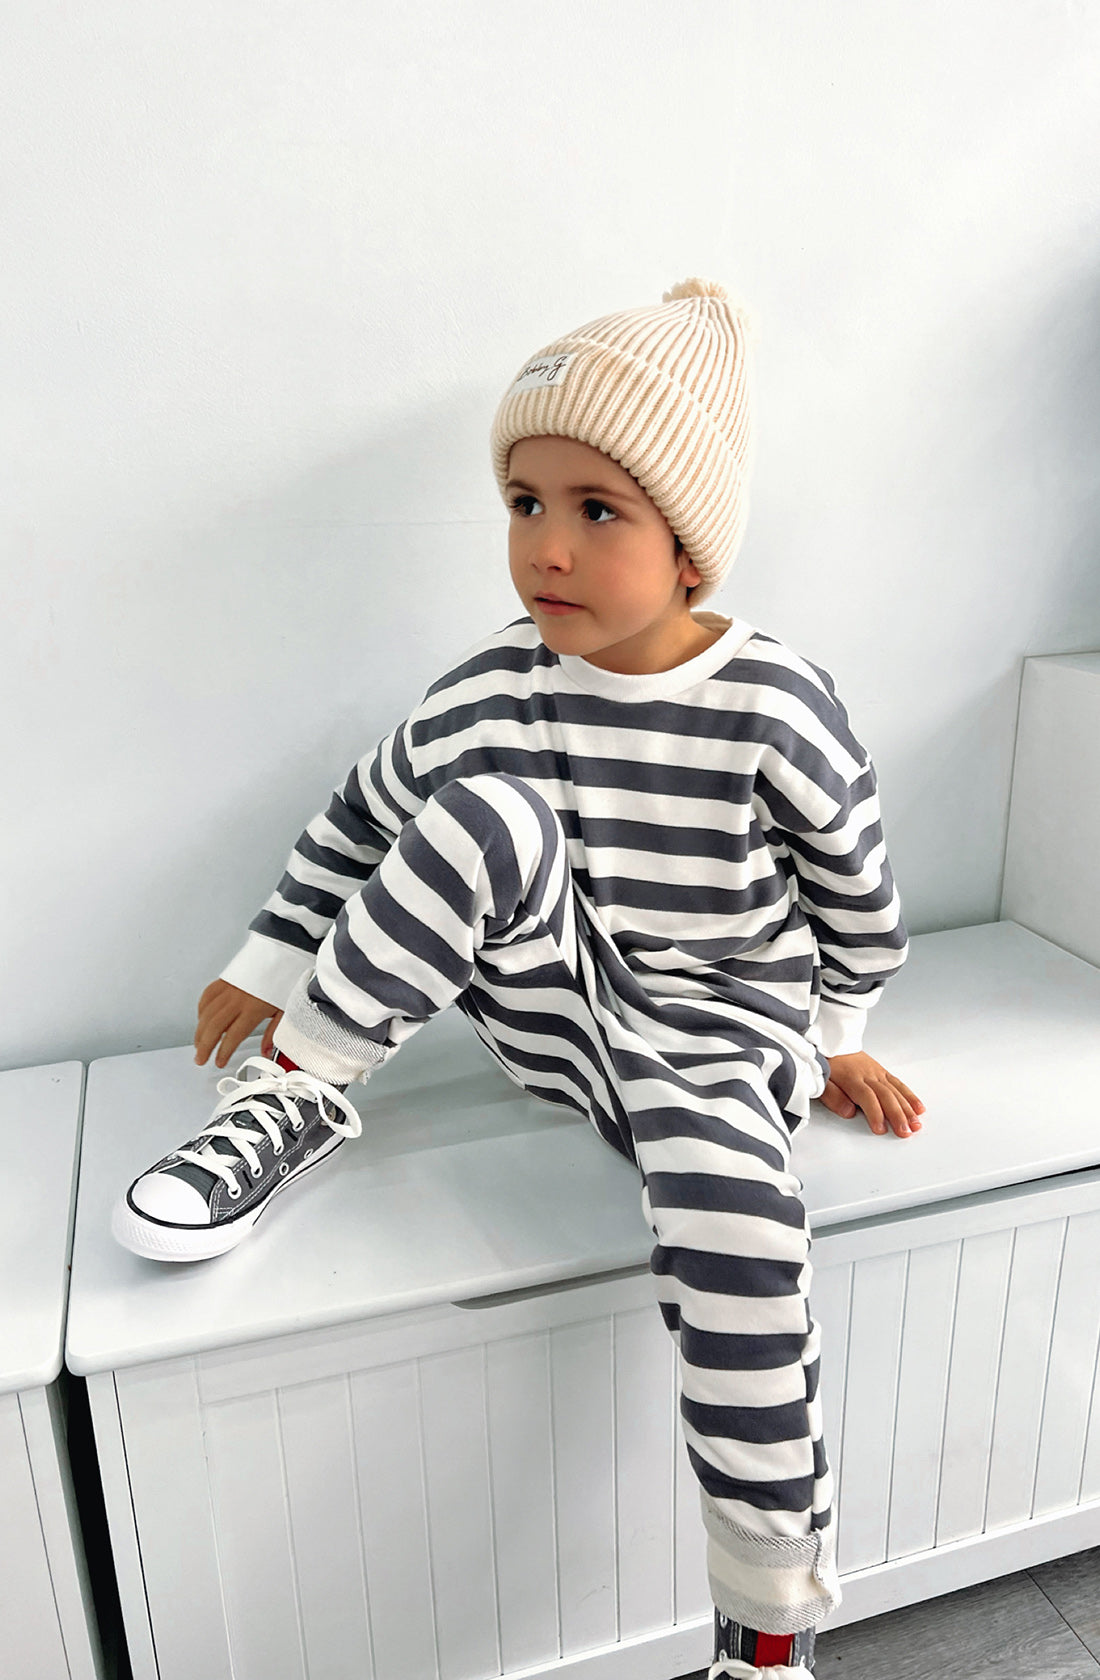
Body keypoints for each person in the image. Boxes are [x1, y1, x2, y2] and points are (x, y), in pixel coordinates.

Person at [112, 278, 922, 1680]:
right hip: (551, 1023)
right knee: (485, 816)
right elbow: (360, 818)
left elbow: (859, 887)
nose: (544, 548)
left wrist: (837, 1037)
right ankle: (298, 1095)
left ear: (689, 554)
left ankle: (769, 1630)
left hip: (721, 1041)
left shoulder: (775, 703)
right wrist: (270, 962)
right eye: (523, 504)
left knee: (742, 1229)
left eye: (596, 510)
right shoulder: (494, 687)